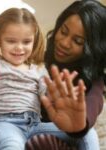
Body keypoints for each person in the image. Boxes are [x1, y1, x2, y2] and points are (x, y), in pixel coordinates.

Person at [0, 7, 90, 150]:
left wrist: (56, 95)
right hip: (4, 123)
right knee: (12, 145)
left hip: (35, 124)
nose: (19, 48)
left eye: (26, 42)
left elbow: (47, 92)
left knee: (86, 134)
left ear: (34, 41)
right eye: (11, 41)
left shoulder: (38, 68)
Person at [27, 0, 106, 150]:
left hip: (64, 135)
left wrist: (79, 125)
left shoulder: (94, 81)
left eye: (77, 41)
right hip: (22, 128)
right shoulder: (35, 61)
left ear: (93, 49)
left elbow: (93, 104)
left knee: (90, 134)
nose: (64, 43)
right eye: (63, 31)